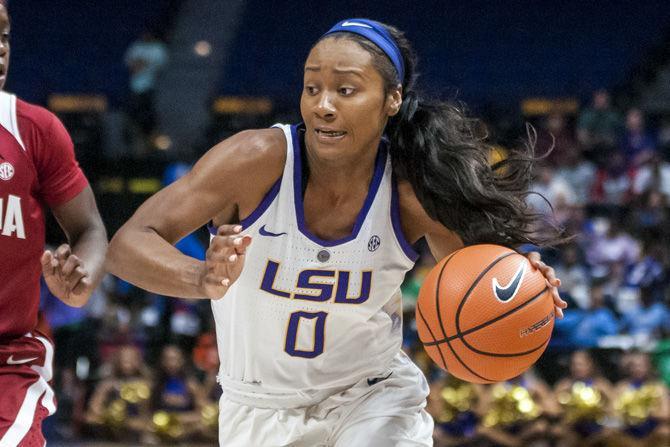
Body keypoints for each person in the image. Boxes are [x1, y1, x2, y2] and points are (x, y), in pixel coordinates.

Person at [107, 18, 566, 445]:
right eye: (312, 88)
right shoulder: (255, 160)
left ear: (392, 99)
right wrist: (200, 279)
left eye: (345, 89)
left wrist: (517, 280)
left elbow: (478, 280)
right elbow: (127, 245)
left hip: (372, 399)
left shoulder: (414, 190)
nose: (322, 106)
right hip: (258, 407)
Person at [0, 2, 108, 446]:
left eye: (4, 36)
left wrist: (80, 280)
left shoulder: (33, 130)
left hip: (6, 363)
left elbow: (90, 229)